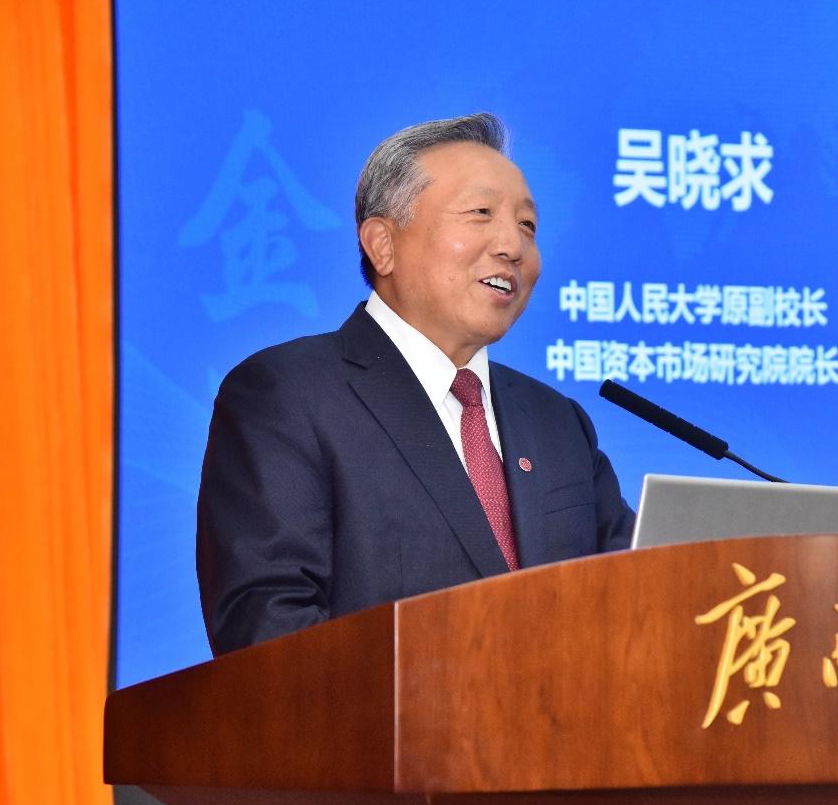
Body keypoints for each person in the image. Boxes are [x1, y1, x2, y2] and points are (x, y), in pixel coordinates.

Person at [196, 113, 635, 656]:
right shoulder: (287, 395)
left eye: (527, 225)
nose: (513, 246)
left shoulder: (557, 422)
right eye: (481, 213)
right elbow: (269, 631)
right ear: (382, 244)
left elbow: (637, 599)